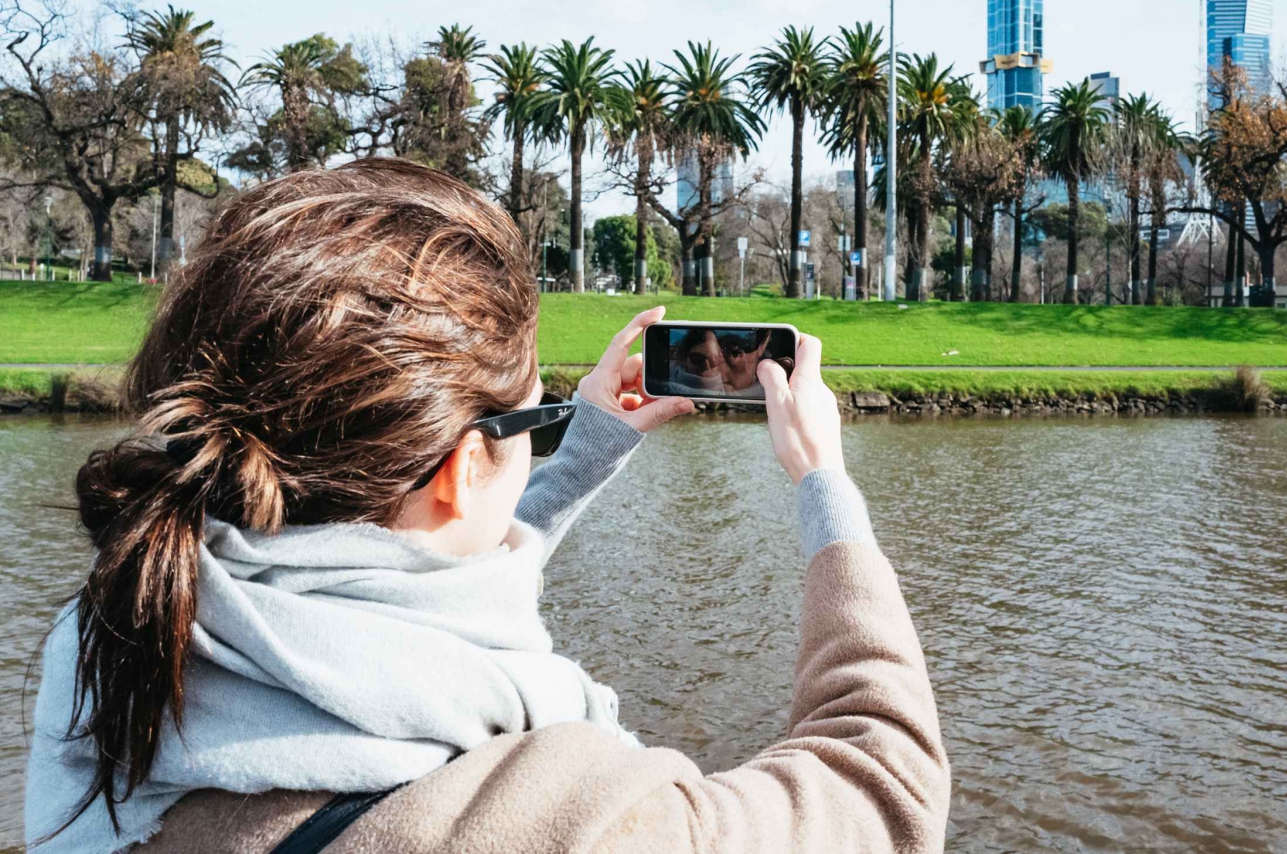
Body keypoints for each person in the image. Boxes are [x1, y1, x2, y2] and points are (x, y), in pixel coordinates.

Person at [25, 158, 949, 854]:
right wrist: (826, 483)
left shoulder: (109, 666)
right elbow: (881, 783)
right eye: (530, 419)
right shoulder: (572, 818)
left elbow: (400, 595)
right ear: (461, 469)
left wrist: (579, 447)